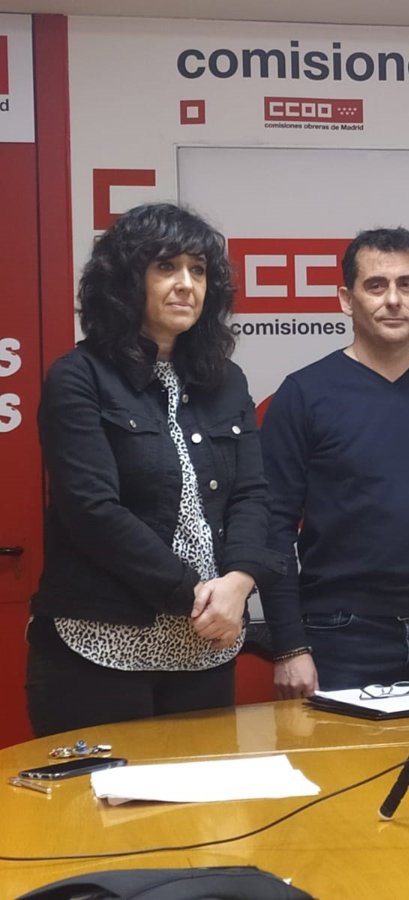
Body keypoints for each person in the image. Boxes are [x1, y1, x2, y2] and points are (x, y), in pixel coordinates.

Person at [27, 203, 282, 736]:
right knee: (103, 793)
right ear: (127, 280)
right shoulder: (78, 376)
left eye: (198, 270)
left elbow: (252, 495)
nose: (186, 284)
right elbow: (92, 511)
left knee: (202, 793)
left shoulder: (227, 380)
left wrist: (239, 582)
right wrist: (198, 595)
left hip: (205, 648)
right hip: (98, 648)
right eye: (166, 267)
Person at [259, 227, 409, 697]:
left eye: (406, 285)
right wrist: (289, 645)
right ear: (346, 300)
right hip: (340, 635)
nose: (393, 299)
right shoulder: (304, 394)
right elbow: (273, 528)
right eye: (376, 285)